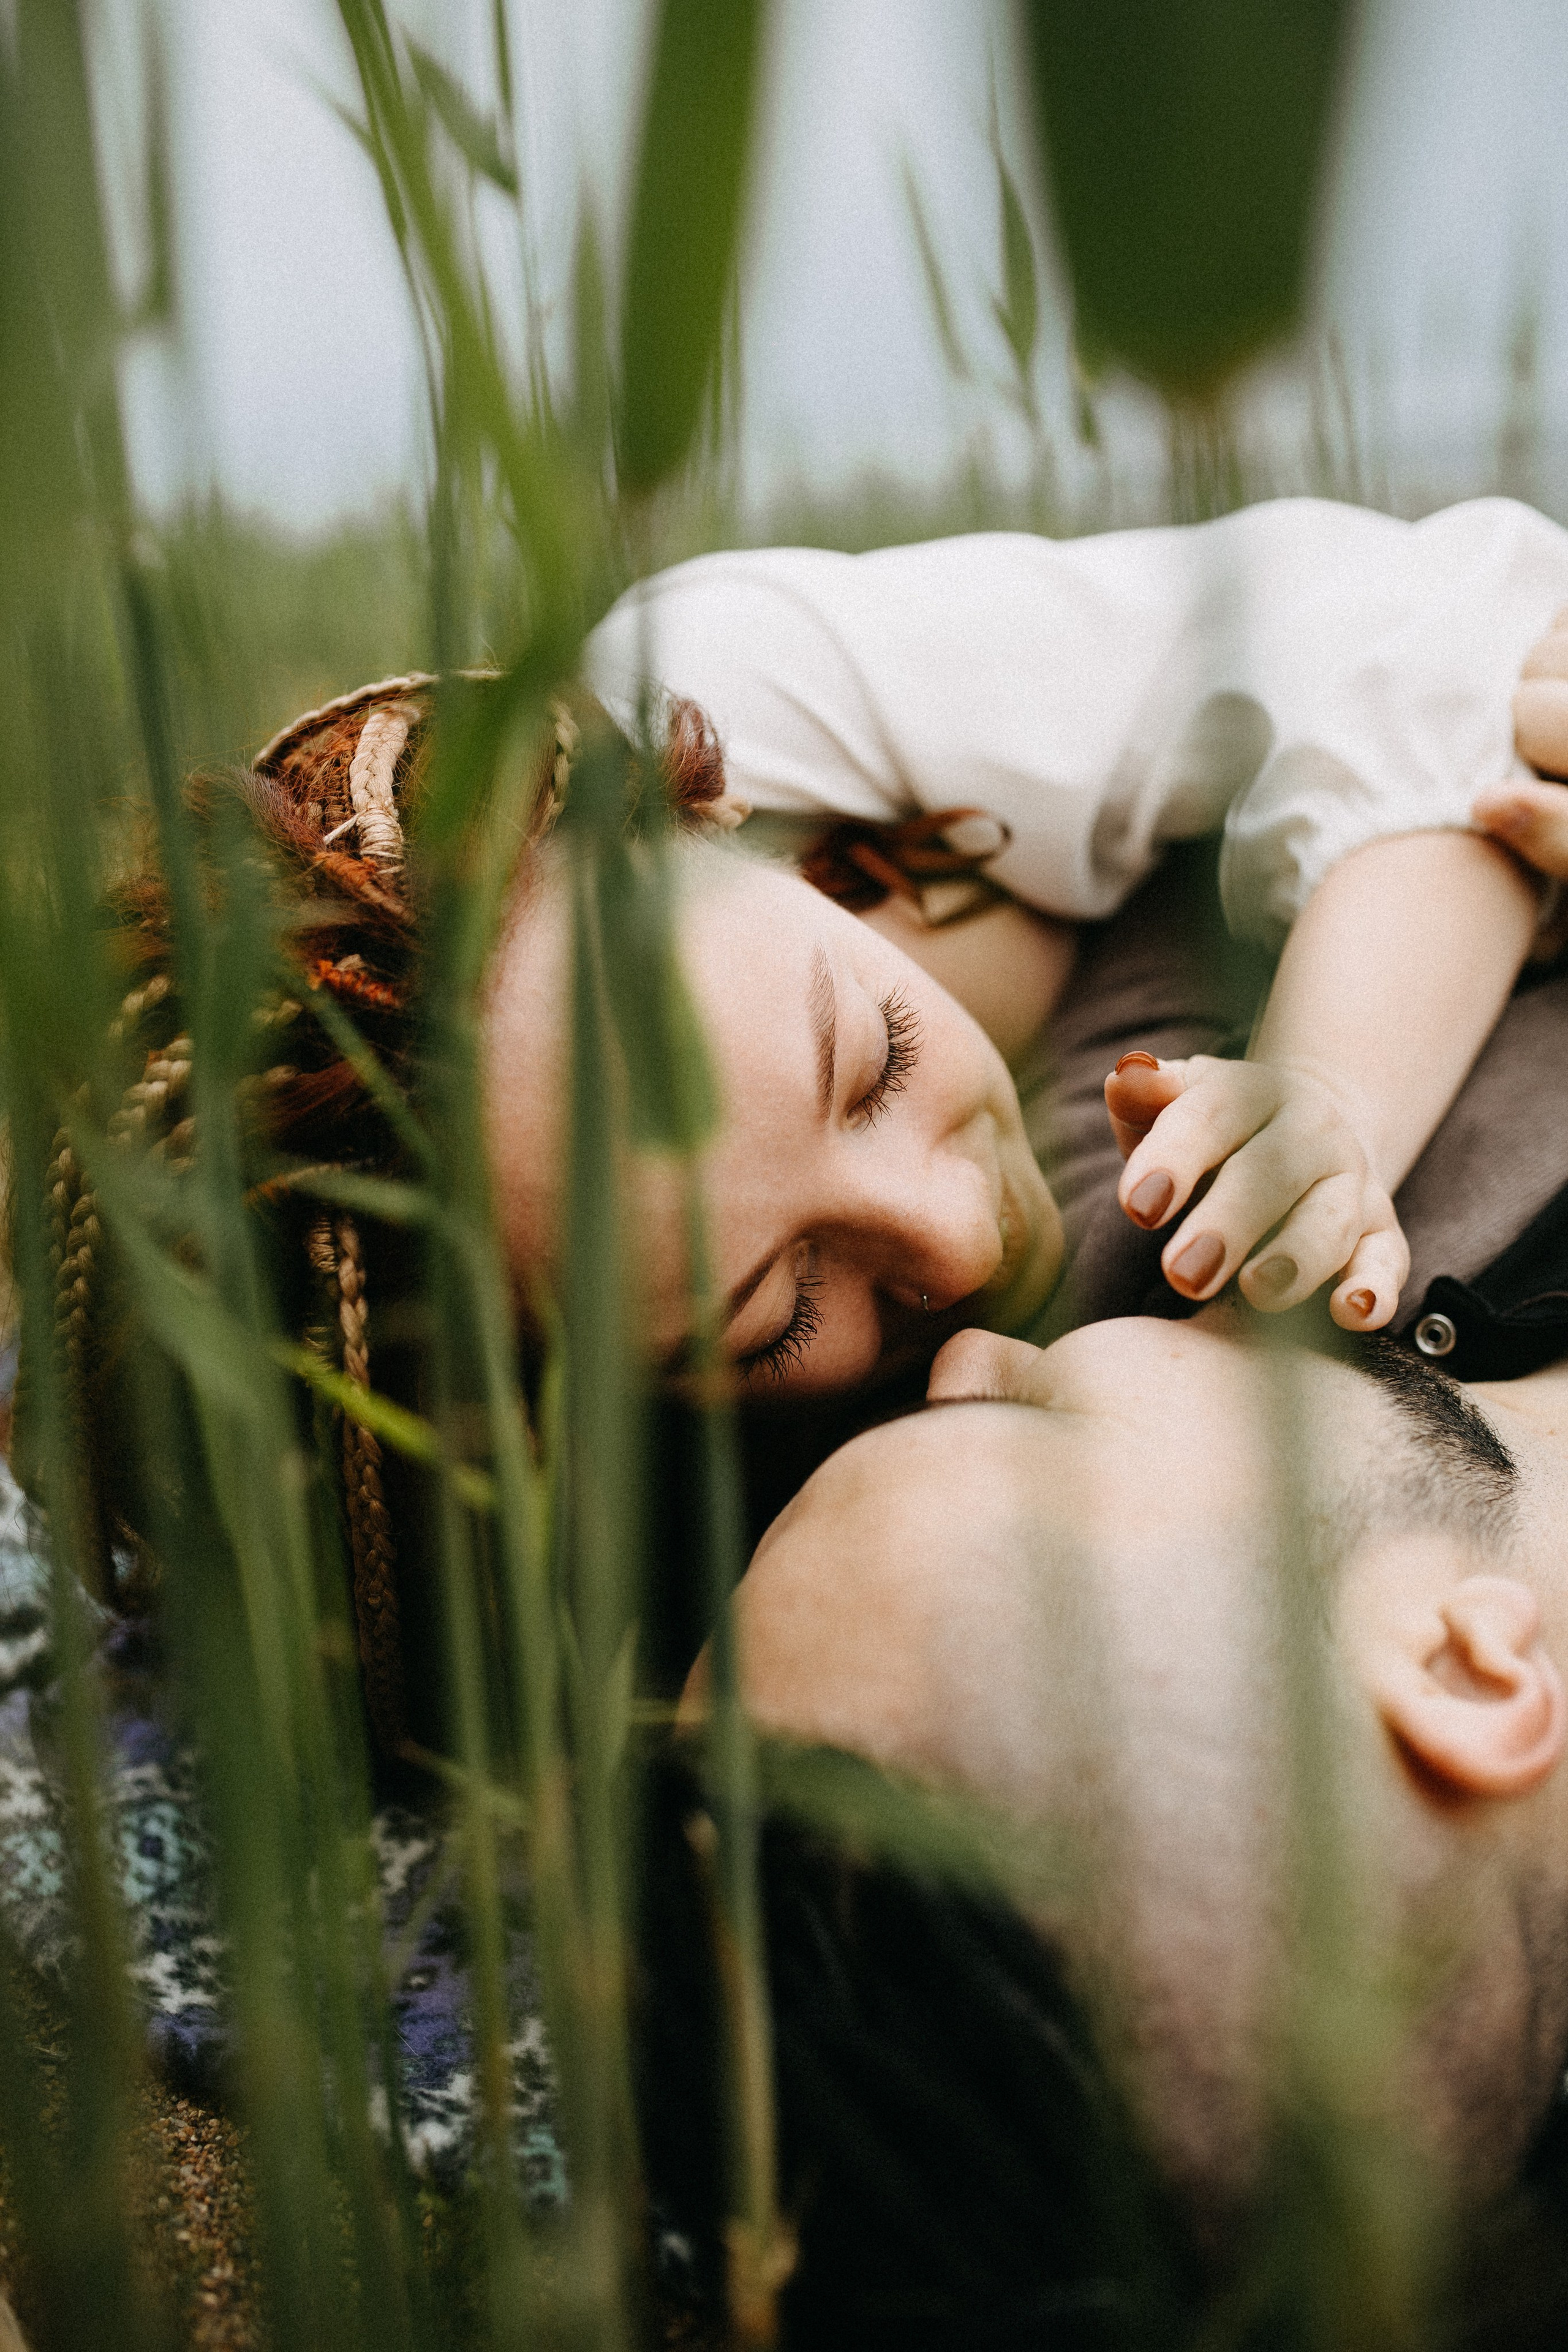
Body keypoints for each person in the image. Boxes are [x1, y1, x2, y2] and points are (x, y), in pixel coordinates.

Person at [657, 832, 1568, 2339]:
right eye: (1020, 1429)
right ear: (1461, 1670)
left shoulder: (1161, 1242)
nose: (958, 1344)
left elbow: (1158, 823)